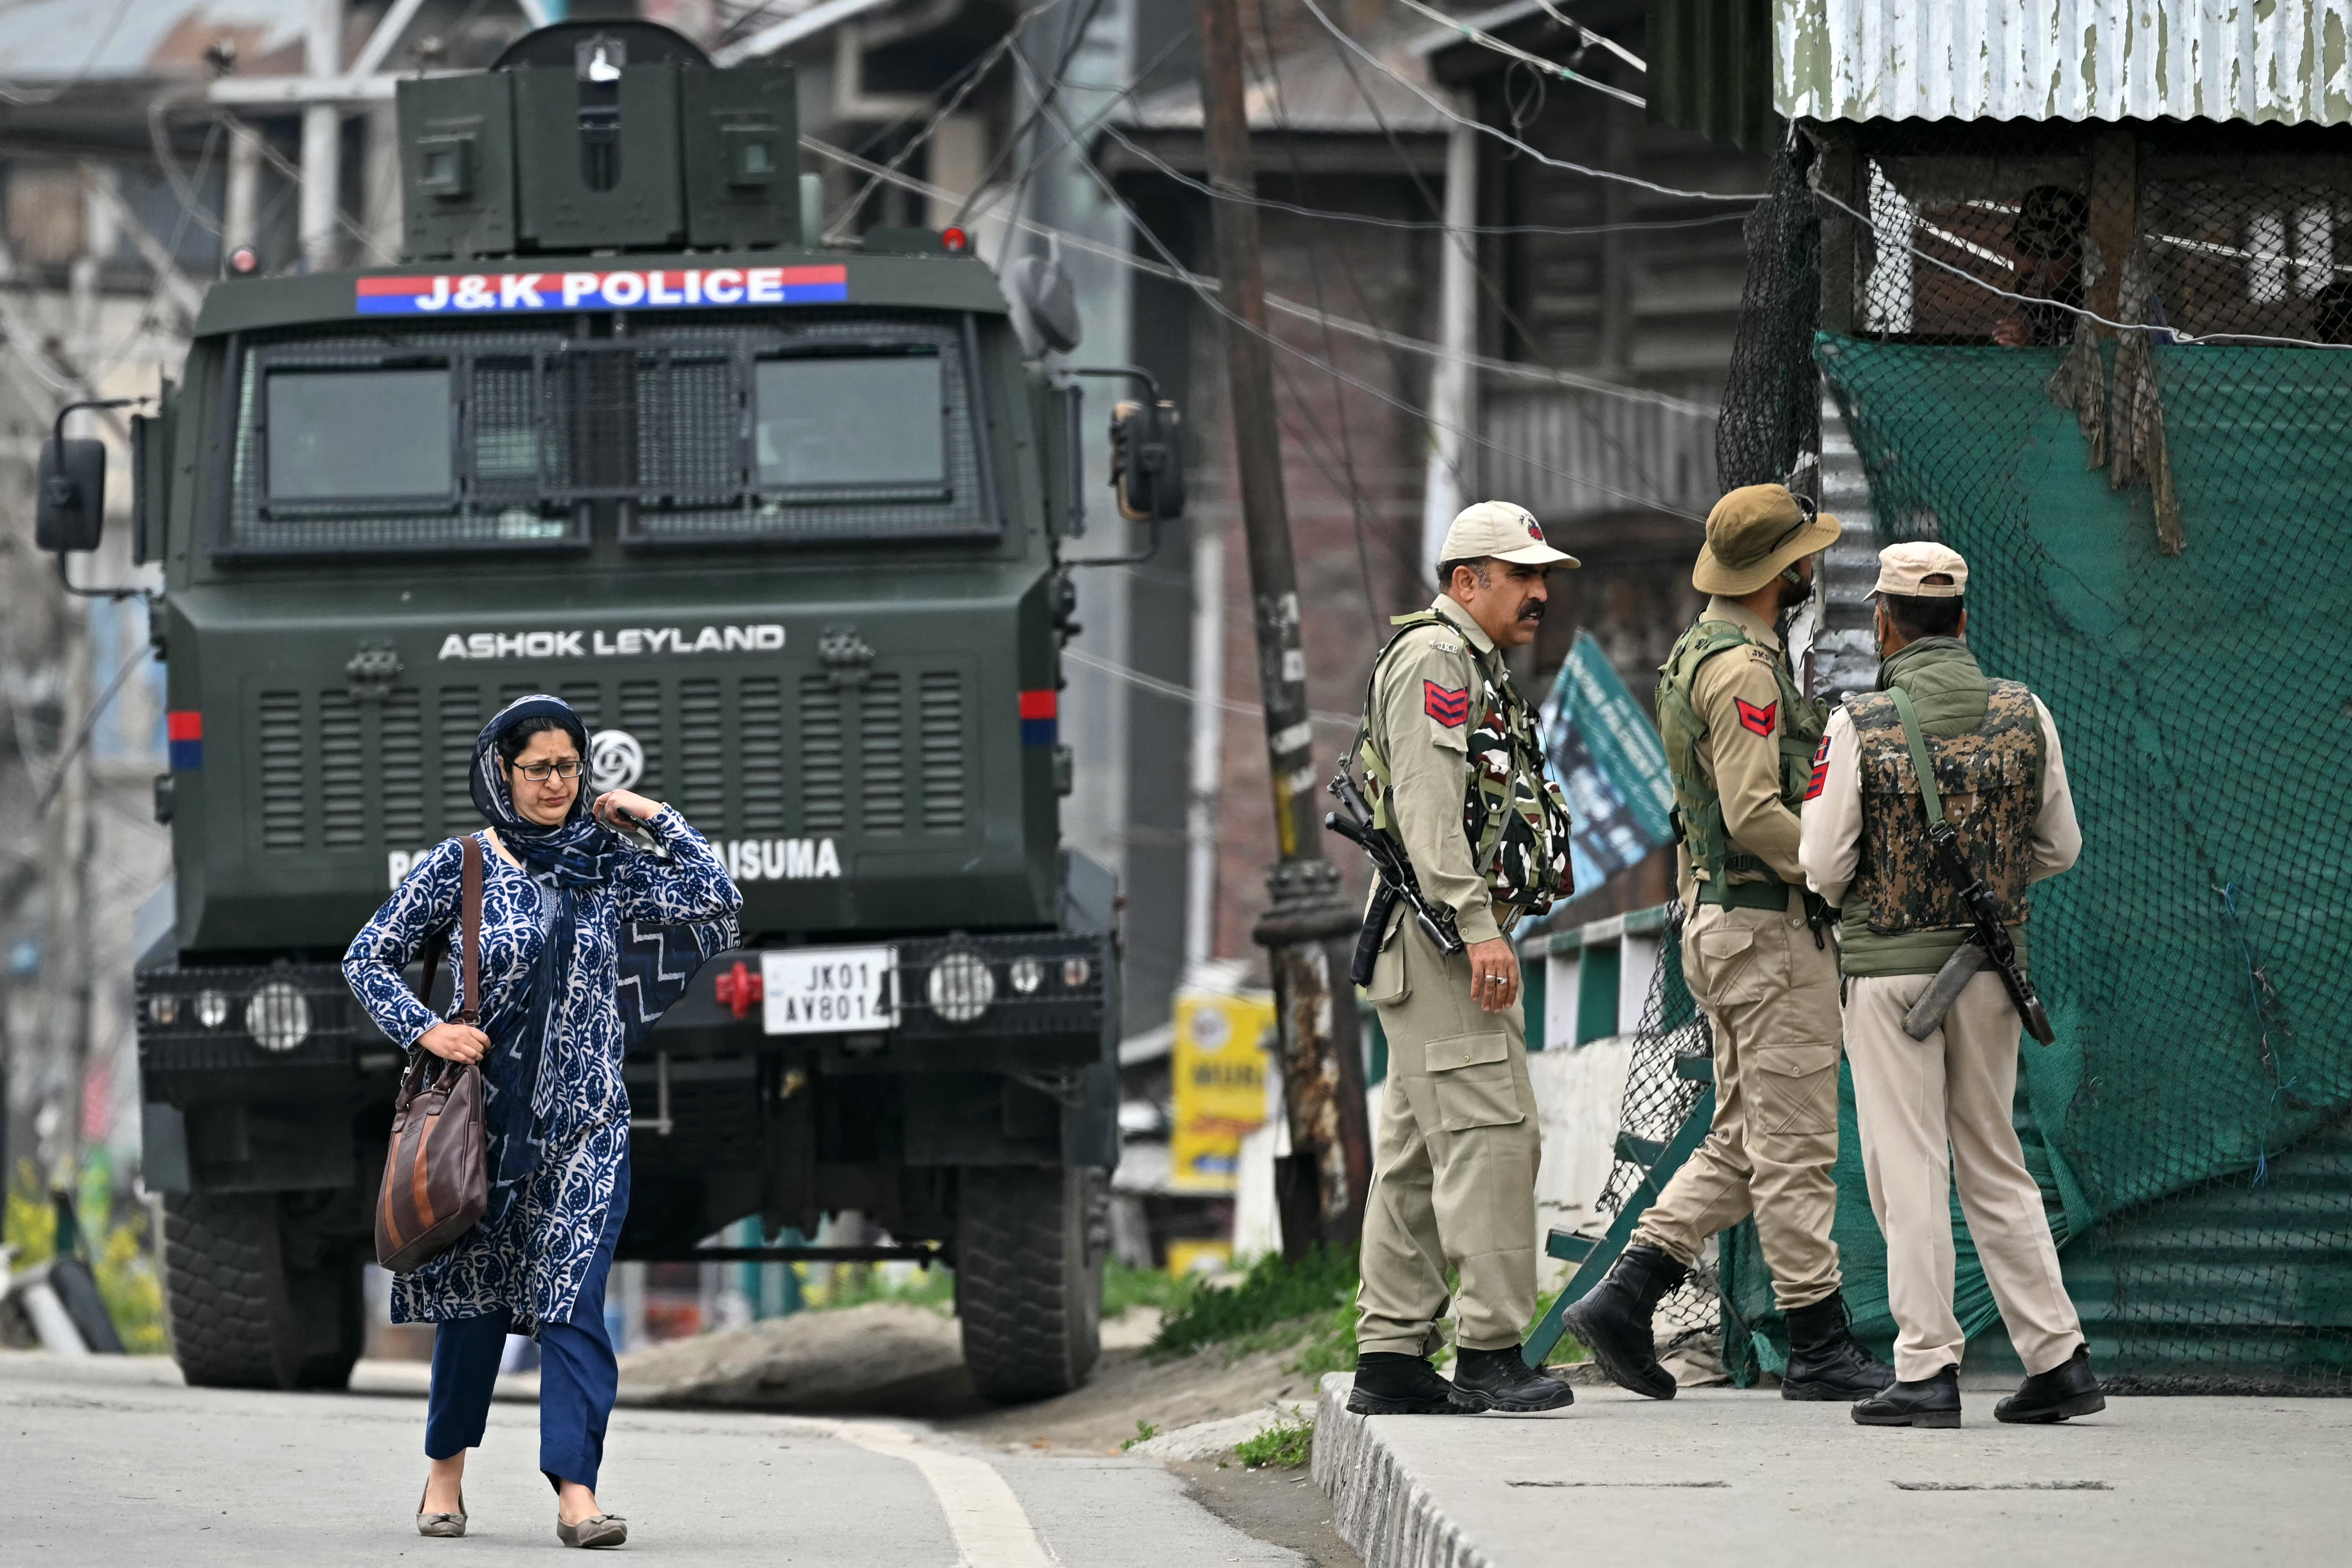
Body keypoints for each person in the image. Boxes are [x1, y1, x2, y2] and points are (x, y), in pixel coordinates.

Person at [345, 694, 739, 1545]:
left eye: (569, 765)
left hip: (588, 1122)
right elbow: (365, 956)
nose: (556, 782)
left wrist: (651, 815)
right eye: (538, 768)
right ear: (502, 771)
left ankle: (576, 1492)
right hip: (482, 1129)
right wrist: (427, 1027)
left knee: (573, 1301)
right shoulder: (461, 864)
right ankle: (444, 1473)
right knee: (476, 1305)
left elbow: (716, 901)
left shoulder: (608, 861)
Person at [1563, 484, 1894, 1403]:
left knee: (1748, 1137)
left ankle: (1626, 1293)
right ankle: (1818, 1340)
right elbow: (1753, 811)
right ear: (1775, 571)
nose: (1813, 566)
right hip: (1765, 927)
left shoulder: (1695, 651)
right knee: (1794, 1142)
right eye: (1802, 555)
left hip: (1723, 924)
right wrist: (1840, 871)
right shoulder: (1744, 670)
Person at [1798, 542, 2105, 1428]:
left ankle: (1927, 1368)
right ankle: (2058, 1358)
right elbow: (2061, 848)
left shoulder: (1859, 724)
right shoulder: (2026, 711)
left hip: (1891, 980)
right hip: (1991, 974)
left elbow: (1822, 860)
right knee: (1995, 1161)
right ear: (1963, 621)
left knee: (1909, 1166)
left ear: (1883, 625)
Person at [1347, 500, 1581, 1416]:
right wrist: (1477, 921)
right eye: (1519, 576)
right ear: (1464, 582)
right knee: (1494, 1135)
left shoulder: (1467, 661)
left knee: (1412, 1151)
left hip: (1432, 935)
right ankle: (1488, 1349)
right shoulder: (1438, 660)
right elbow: (1430, 805)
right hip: (1441, 935)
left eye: (1542, 577)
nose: (1538, 593)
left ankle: (1392, 1357)